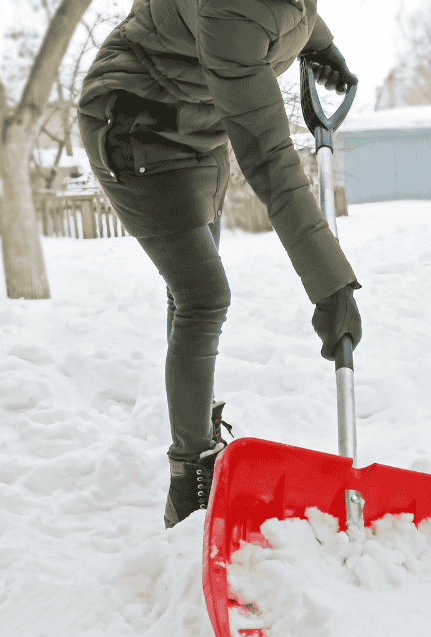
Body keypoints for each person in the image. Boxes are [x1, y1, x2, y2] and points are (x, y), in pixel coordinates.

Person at [78, 0, 362, 528]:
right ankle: (189, 479)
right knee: (203, 296)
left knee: (190, 292)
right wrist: (331, 285)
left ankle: (197, 431)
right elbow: (270, 159)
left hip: (200, 127)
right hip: (136, 122)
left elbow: (289, 11)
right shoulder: (232, 9)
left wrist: (320, 44)